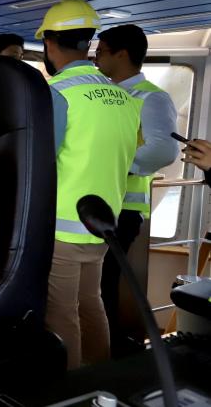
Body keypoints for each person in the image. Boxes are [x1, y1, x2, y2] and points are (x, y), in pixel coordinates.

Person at [36, 0, 140, 369]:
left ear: (49, 43)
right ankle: (102, 380)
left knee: (61, 316)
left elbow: (40, 161)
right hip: (100, 227)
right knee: (90, 303)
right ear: (88, 43)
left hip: (62, 230)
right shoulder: (124, 98)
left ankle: (73, 391)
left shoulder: (56, 93)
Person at [94, 24, 178, 352]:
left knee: (102, 285)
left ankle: (107, 355)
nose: (97, 57)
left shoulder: (151, 97)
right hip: (100, 205)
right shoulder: (104, 94)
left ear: (122, 54)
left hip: (124, 208)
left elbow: (163, 150)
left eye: (101, 51)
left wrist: (114, 164)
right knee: (94, 286)